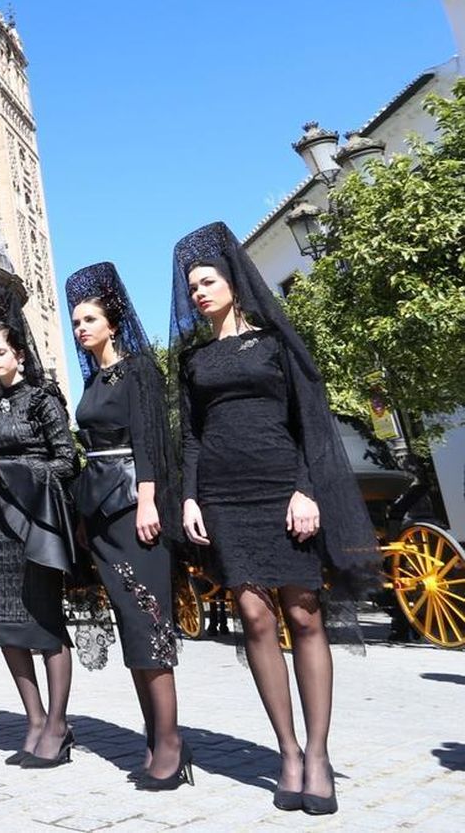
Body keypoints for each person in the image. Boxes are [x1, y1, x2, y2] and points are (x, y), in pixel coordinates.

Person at [172, 222, 378, 816]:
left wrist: (305, 490)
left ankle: (318, 754)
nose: (198, 294)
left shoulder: (274, 345)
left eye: (208, 282)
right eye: (191, 288)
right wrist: (189, 498)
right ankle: (286, 752)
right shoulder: (192, 361)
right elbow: (190, 436)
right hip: (224, 496)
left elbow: (309, 421)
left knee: (304, 615)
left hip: (282, 487)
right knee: (255, 619)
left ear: (234, 284)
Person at [64, 263, 187, 789]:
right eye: (75, 322)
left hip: (136, 502)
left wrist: (149, 500)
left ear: (112, 323)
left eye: (89, 319)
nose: (80, 328)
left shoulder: (138, 370)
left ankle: (173, 743)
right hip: (101, 511)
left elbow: (150, 437)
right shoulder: (93, 381)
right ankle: (154, 735)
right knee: (128, 624)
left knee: (149, 622)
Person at [0, 290, 77, 769]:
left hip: (37, 522)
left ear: (20, 355)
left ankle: (58, 723)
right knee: (6, 625)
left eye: (0, 353)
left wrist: (8, 470)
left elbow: (66, 462)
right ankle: (33, 719)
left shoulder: (42, 399)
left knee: (45, 623)